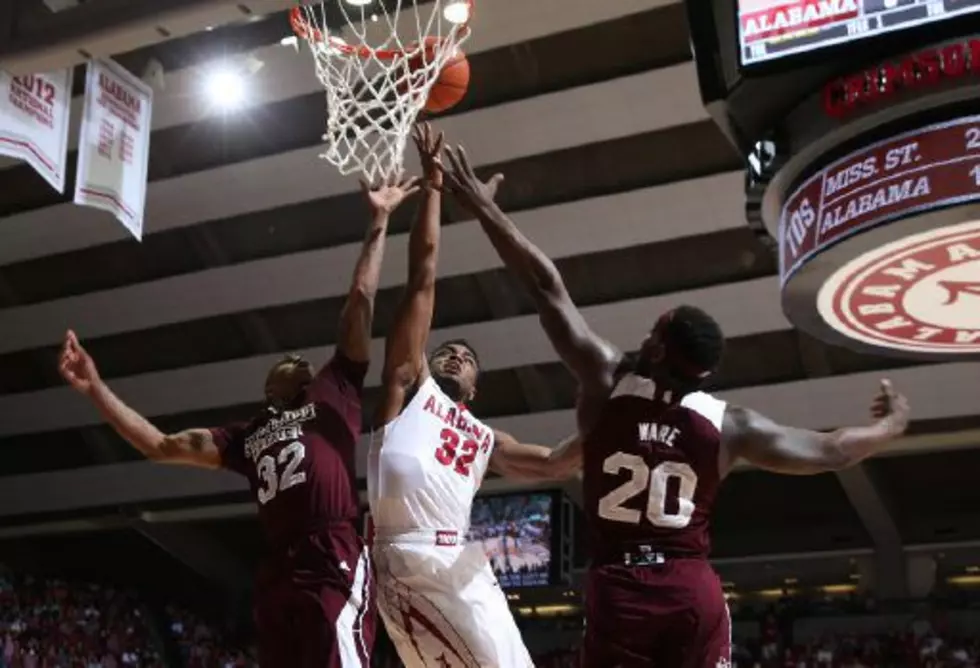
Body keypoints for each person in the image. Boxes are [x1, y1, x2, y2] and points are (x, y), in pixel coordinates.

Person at [437, 143, 911, 668]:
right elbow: (833, 450)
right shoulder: (729, 424)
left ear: (659, 348)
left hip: (621, 590)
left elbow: (547, 287)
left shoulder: (607, 377)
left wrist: (486, 208)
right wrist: (890, 426)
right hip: (690, 591)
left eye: (654, 329)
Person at [57, 171, 423, 668]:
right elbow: (160, 445)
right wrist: (96, 388)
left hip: (329, 549)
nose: (299, 360)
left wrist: (379, 221)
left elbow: (359, 301)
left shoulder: (332, 390)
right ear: (269, 390)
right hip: (278, 567)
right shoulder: (246, 436)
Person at [366, 123, 578, 668]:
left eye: (468, 357)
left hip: (462, 560)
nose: (457, 354)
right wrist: (433, 185)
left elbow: (556, 463)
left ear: (476, 387)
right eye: (448, 350)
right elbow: (423, 278)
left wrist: (617, 415)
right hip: (408, 555)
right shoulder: (409, 387)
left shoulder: (485, 437)